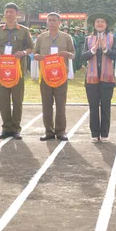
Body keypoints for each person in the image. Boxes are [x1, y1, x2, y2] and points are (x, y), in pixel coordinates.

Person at [0, 3, 33, 139]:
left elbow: (31, 47)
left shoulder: (24, 30)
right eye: (7, 12)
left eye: (11, 12)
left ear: (17, 14)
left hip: (17, 71)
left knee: (17, 100)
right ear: (4, 14)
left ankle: (16, 129)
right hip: (1, 71)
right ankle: (6, 128)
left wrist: (24, 52)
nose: (9, 14)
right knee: (3, 101)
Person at [34, 12, 75, 141]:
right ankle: (48, 131)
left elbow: (73, 54)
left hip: (61, 76)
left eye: (54, 20)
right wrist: (37, 57)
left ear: (59, 23)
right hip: (45, 76)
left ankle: (61, 131)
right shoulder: (41, 37)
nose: (51, 22)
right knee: (46, 104)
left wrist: (67, 54)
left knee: (60, 104)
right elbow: (35, 54)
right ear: (46, 22)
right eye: (49, 20)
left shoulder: (66, 37)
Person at [81, 13, 116, 142]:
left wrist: (104, 48)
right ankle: (94, 134)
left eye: (102, 21)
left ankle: (104, 134)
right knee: (93, 106)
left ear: (106, 24)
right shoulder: (88, 39)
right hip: (91, 79)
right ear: (94, 24)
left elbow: (115, 56)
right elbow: (83, 57)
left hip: (107, 78)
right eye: (97, 21)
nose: (100, 24)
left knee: (105, 106)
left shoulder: (112, 38)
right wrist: (93, 49)